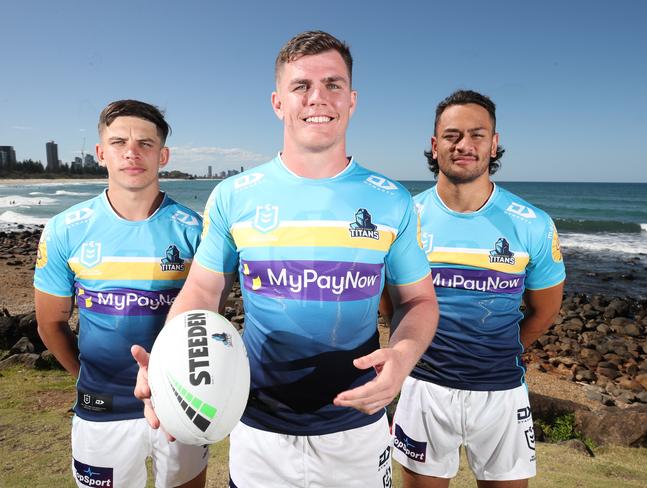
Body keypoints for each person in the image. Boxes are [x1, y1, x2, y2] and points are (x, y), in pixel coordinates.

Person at [133, 30, 439, 487]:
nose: (319, 98)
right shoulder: (234, 196)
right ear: (278, 102)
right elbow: (202, 289)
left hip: (356, 426)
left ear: (351, 100)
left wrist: (404, 354)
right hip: (259, 428)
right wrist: (168, 362)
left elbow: (418, 302)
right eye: (302, 86)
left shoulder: (392, 199)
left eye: (333, 85)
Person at [384, 90, 566, 488]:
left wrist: (498, 351)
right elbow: (389, 300)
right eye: (451, 135)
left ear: (494, 143)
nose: (464, 145)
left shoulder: (532, 223)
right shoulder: (404, 218)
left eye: (477, 135)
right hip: (424, 388)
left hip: (501, 393)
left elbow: (545, 310)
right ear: (435, 146)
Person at [34, 100, 207, 488]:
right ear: (101, 153)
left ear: (162, 155)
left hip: (181, 405)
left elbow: (207, 321)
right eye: (118, 142)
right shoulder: (65, 229)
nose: (132, 152)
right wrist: (88, 379)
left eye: (146, 143)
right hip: (101, 409)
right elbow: (50, 324)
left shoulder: (196, 231)